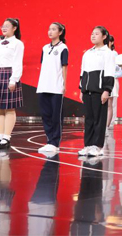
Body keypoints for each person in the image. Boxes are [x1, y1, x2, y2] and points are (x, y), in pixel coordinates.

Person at [0, 18, 25, 150]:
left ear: (14, 28)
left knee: (9, 108)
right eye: (2, 26)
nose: (4, 28)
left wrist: (14, 79)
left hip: (9, 74)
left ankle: (6, 137)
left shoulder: (18, 43)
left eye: (7, 26)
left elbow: (17, 62)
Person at [78, 26, 116, 157]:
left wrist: (107, 90)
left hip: (99, 91)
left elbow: (110, 72)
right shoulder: (87, 53)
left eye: (96, 34)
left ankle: (97, 146)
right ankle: (88, 145)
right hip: (87, 90)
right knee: (89, 119)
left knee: (99, 119)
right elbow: (82, 72)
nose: (93, 36)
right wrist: (81, 89)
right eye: (92, 34)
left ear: (104, 36)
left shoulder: (108, 53)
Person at [35, 22, 69, 154]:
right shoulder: (45, 48)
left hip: (56, 87)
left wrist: (64, 84)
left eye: (54, 29)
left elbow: (64, 67)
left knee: (56, 116)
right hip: (43, 86)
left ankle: (55, 142)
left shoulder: (63, 48)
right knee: (46, 115)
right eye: (49, 29)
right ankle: (49, 140)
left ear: (60, 32)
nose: (50, 31)